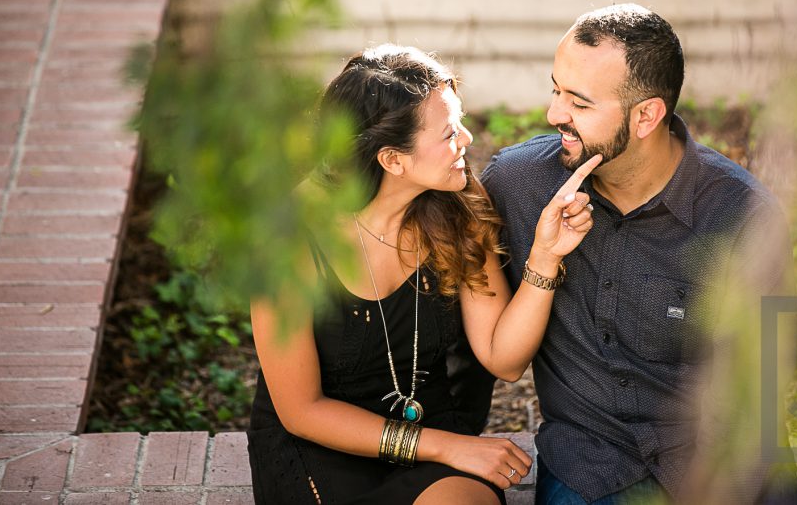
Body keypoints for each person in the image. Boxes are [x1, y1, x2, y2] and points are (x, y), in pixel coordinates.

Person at [247, 44, 602, 504]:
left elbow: (504, 358)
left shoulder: (455, 204)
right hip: (321, 444)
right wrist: (450, 447)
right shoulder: (289, 238)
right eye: (449, 133)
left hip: (432, 436)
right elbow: (302, 410)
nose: (468, 141)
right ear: (393, 161)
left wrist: (545, 258)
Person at [481, 4, 797, 504]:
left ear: (647, 116)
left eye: (579, 104)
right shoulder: (518, 186)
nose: (553, 115)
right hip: (591, 463)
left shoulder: (741, 217)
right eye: (555, 90)